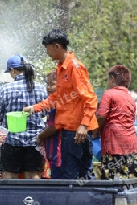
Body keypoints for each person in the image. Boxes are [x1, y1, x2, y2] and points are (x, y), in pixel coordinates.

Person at [23, 29, 98, 180]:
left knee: (73, 176)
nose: (47, 52)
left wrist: (83, 125)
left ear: (57, 46)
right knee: (77, 175)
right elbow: (57, 98)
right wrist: (34, 108)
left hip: (77, 131)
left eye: (47, 48)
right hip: (70, 130)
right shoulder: (60, 67)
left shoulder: (74, 67)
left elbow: (89, 98)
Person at [0, 55, 47, 179]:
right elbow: (44, 113)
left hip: (11, 141)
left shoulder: (6, 89)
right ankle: (32, 199)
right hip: (35, 141)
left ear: (13, 70)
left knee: (9, 177)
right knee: (33, 175)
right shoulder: (41, 88)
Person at [97, 65, 137, 180]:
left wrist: (93, 131)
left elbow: (101, 116)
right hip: (131, 148)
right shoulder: (130, 98)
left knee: (111, 189)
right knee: (131, 184)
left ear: (112, 79)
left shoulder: (109, 94)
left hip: (113, 148)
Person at [36, 71, 61, 179]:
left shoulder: (59, 103)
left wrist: (40, 136)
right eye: (47, 84)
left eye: (52, 84)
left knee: (57, 182)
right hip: (52, 151)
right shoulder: (52, 103)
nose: (48, 88)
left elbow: (53, 127)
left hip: (58, 152)